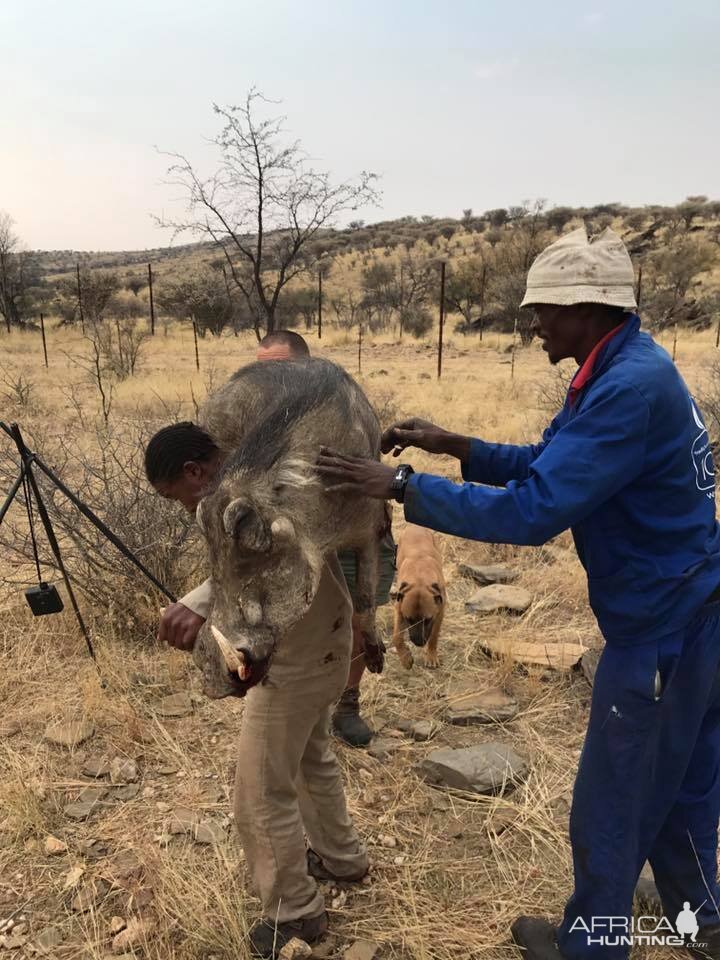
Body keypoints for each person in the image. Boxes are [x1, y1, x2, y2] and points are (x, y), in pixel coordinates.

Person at [316, 227, 720, 960]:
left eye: (544, 309)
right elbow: (547, 463)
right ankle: (703, 918)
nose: (532, 322)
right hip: (693, 609)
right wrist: (458, 445)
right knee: (686, 778)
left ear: (590, 308)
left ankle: (590, 947)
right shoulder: (622, 368)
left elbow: (534, 511)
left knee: (614, 799)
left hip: (662, 625)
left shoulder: (626, 388)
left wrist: (404, 486)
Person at [145, 422, 368, 959]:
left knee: (261, 793)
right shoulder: (270, 472)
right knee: (311, 757)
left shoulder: (259, 494)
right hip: (330, 648)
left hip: (299, 661)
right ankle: (342, 857)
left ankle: (294, 912)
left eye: (177, 497)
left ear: (196, 472)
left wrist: (197, 603)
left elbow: (276, 559)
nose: (183, 510)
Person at [256, 329, 396, 747]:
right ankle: (310, 701)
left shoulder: (339, 404)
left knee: (356, 619)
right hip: (296, 540)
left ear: (306, 365)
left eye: (279, 370)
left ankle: (348, 703)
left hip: (353, 530)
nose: (266, 380)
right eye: (259, 371)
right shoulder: (258, 417)